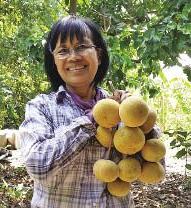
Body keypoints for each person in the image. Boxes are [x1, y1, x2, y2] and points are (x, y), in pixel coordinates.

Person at [19, 15, 161, 208]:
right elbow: (37, 165)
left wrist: (141, 123)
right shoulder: (41, 106)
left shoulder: (122, 110)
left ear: (99, 55)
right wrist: (91, 119)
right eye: (63, 50)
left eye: (81, 47)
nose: (73, 56)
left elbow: (155, 171)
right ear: (54, 61)